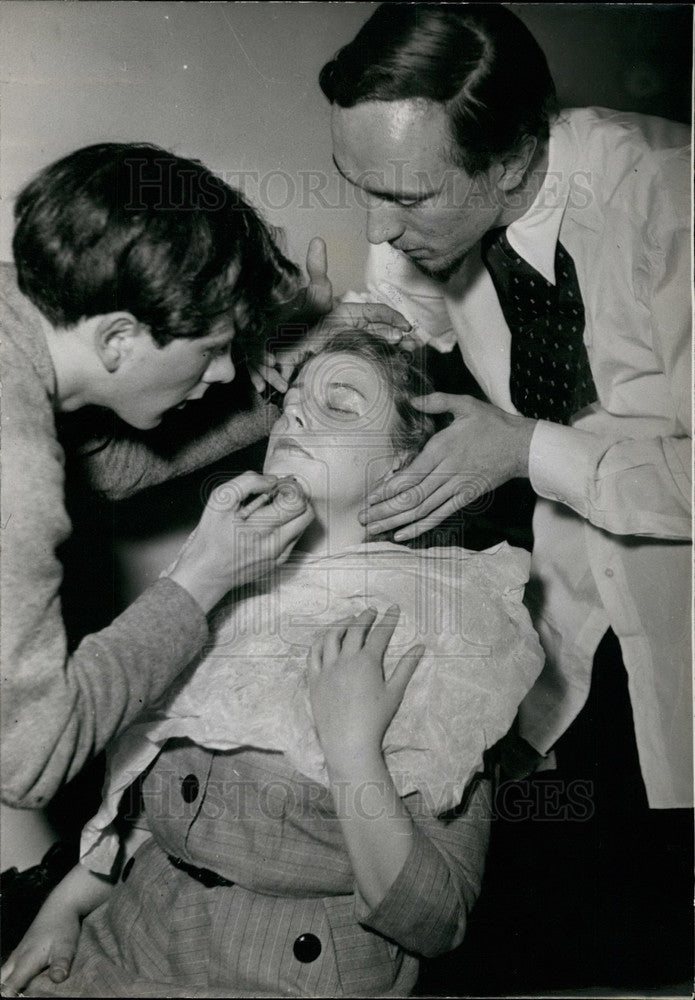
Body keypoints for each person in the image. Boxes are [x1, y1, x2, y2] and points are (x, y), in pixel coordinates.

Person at [318, 3, 692, 987]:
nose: (379, 228)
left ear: (515, 154)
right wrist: (333, 357)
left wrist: (526, 450)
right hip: (573, 606)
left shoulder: (671, 203)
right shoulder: (426, 206)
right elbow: (388, 311)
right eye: (360, 188)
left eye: (404, 197)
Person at [1, 333, 544, 998]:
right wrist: (63, 908)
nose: (295, 416)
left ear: (408, 469)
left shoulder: (450, 627)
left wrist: (352, 751)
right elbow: (165, 810)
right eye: (290, 405)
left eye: (338, 406)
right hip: (131, 937)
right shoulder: (222, 579)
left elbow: (436, 921)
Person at [1, 142, 408, 814]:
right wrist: (203, 578)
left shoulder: (24, 306)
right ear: (118, 339)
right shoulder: (13, 458)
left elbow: (109, 466)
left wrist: (280, 378)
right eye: (214, 350)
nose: (224, 371)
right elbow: (28, 757)